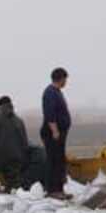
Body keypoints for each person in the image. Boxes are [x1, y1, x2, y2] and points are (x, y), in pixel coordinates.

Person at [41, 67, 71, 197]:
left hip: (59, 132)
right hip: (53, 133)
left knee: (60, 160)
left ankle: (60, 189)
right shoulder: (50, 92)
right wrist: (55, 131)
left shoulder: (57, 91)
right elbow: (50, 114)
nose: (66, 82)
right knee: (54, 160)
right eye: (65, 79)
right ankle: (52, 190)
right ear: (61, 79)